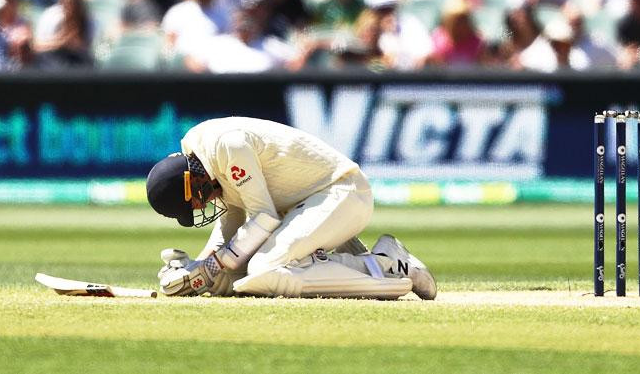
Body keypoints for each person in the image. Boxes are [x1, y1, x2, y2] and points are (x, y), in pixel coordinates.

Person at [146, 117, 437, 300]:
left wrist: (210, 266)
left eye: (198, 201)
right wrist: (196, 272)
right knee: (235, 278)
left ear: (192, 183)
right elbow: (229, 230)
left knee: (263, 268)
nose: (205, 204)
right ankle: (375, 260)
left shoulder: (226, 146)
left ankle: (388, 265)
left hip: (343, 193)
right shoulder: (204, 166)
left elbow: (264, 217)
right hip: (307, 207)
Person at [161, 0, 230, 57]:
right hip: (180, 65)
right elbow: (168, 44)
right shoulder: (177, 12)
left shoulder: (223, 15)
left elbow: (226, 45)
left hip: (210, 64)